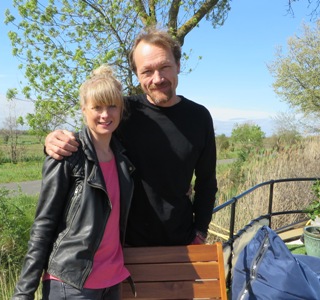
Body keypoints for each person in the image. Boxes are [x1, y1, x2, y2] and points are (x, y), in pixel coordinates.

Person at [45, 26, 218, 247]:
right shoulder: (123, 111)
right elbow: (88, 142)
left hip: (182, 241)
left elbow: (206, 182)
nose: (157, 79)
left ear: (178, 66)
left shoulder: (199, 117)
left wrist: (200, 232)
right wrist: (52, 140)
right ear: (137, 74)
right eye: (147, 71)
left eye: (165, 67)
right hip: (124, 245)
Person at [12, 65, 134, 300]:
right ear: (84, 110)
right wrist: (24, 292)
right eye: (97, 107)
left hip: (112, 282)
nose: (105, 115)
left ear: (121, 109)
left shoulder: (123, 160)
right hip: (72, 283)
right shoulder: (68, 154)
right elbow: (44, 223)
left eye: (112, 106)